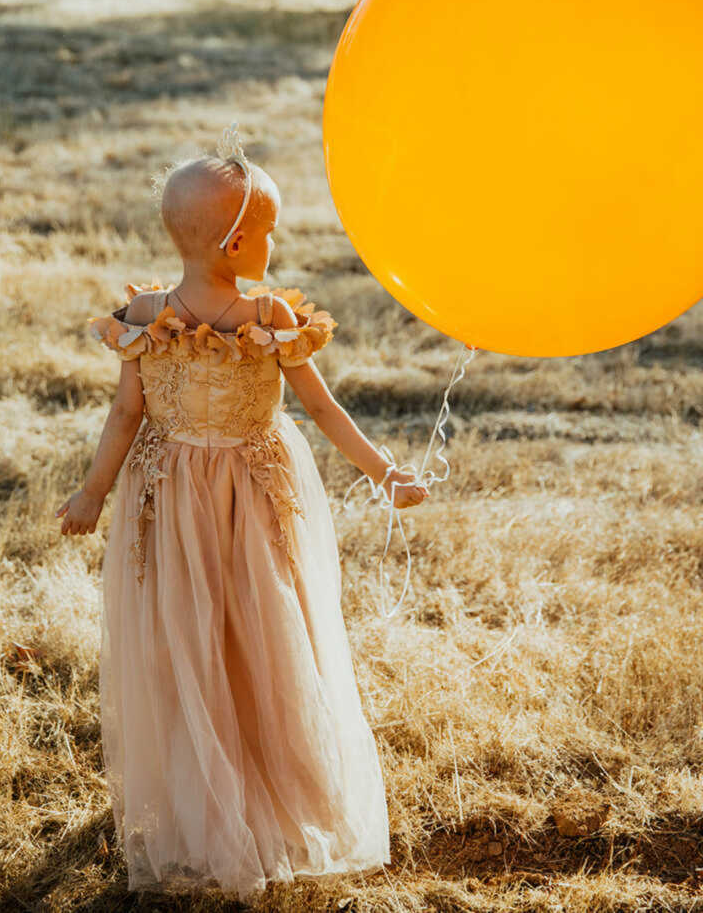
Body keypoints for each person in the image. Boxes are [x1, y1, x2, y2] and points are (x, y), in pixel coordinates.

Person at [54, 126, 428, 897]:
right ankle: (214, 796)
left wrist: (96, 492)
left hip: (209, 491)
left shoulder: (183, 314)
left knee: (227, 626)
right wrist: (382, 472)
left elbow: (126, 419)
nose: (274, 244)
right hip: (216, 496)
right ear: (233, 244)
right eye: (268, 232)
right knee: (224, 628)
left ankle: (254, 787)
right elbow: (321, 412)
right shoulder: (196, 318)